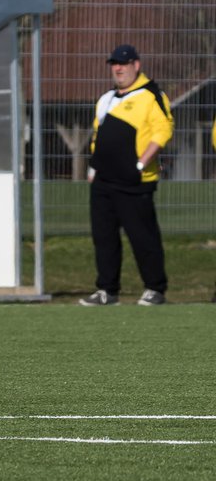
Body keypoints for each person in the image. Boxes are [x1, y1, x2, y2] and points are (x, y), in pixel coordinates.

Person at [80, 44, 173, 307]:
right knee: (104, 237)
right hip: (104, 181)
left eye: (123, 63)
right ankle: (107, 290)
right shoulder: (106, 98)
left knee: (143, 236)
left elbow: (163, 130)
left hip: (135, 181)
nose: (118, 68)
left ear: (136, 65)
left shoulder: (151, 94)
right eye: (114, 64)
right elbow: (99, 135)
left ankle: (154, 288)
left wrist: (141, 164)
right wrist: (93, 167)